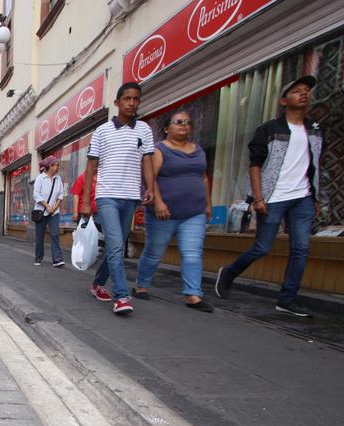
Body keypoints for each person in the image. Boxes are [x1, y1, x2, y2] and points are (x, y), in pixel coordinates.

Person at [215, 75, 324, 317]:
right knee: (263, 247)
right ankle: (230, 272)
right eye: (297, 91)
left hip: (303, 196)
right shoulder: (269, 129)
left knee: (301, 249)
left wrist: (315, 198)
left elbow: (316, 164)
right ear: (284, 100)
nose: (304, 93)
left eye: (306, 90)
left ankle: (287, 298)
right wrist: (258, 197)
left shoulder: (315, 130)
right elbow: (255, 165)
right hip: (273, 196)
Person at [80, 81, 155, 315]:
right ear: (117, 103)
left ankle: (97, 283)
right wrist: (85, 200)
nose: (132, 103)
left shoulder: (144, 130)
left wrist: (150, 187)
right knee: (114, 244)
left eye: (135, 99)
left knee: (117, 246)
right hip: (107, 196)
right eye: (127, 99)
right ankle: (122, 296)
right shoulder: (102, 131)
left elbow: (148, 162)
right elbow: (91, 166)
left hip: (131, 196)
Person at [133, 110, 214, 312]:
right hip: (164, 212)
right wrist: (158, 203)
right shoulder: (159, 150)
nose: (183, 125)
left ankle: (193, 295)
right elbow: (151, 178)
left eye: (187, 122)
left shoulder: (198, 151)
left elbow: (203, 178)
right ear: (167, 128)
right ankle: (141, 285)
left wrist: (208, 204)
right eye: (178, 122)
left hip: (194, 212)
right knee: (154, 252)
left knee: (192, 253)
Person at [71, 172, 109, 286]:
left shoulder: (104, 177)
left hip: (99, 213)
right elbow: (76, 194)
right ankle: (84, 256)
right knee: (85, 237)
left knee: (97, 237)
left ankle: (93, 254)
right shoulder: (83, 177)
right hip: (85, 214)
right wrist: (75, 212)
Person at [33, 155, 65, 267]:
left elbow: (61, 195)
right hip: (41, 211)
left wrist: (54, 208)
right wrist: (47, 206)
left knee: (55, 234)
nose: (58, 167)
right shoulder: (40, 178)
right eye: (56, 165)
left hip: (54, 212)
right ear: (50, 166)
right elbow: (36, 195)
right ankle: (38, 257)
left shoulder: (58, 179)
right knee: (39, 236)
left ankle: (57, 259)